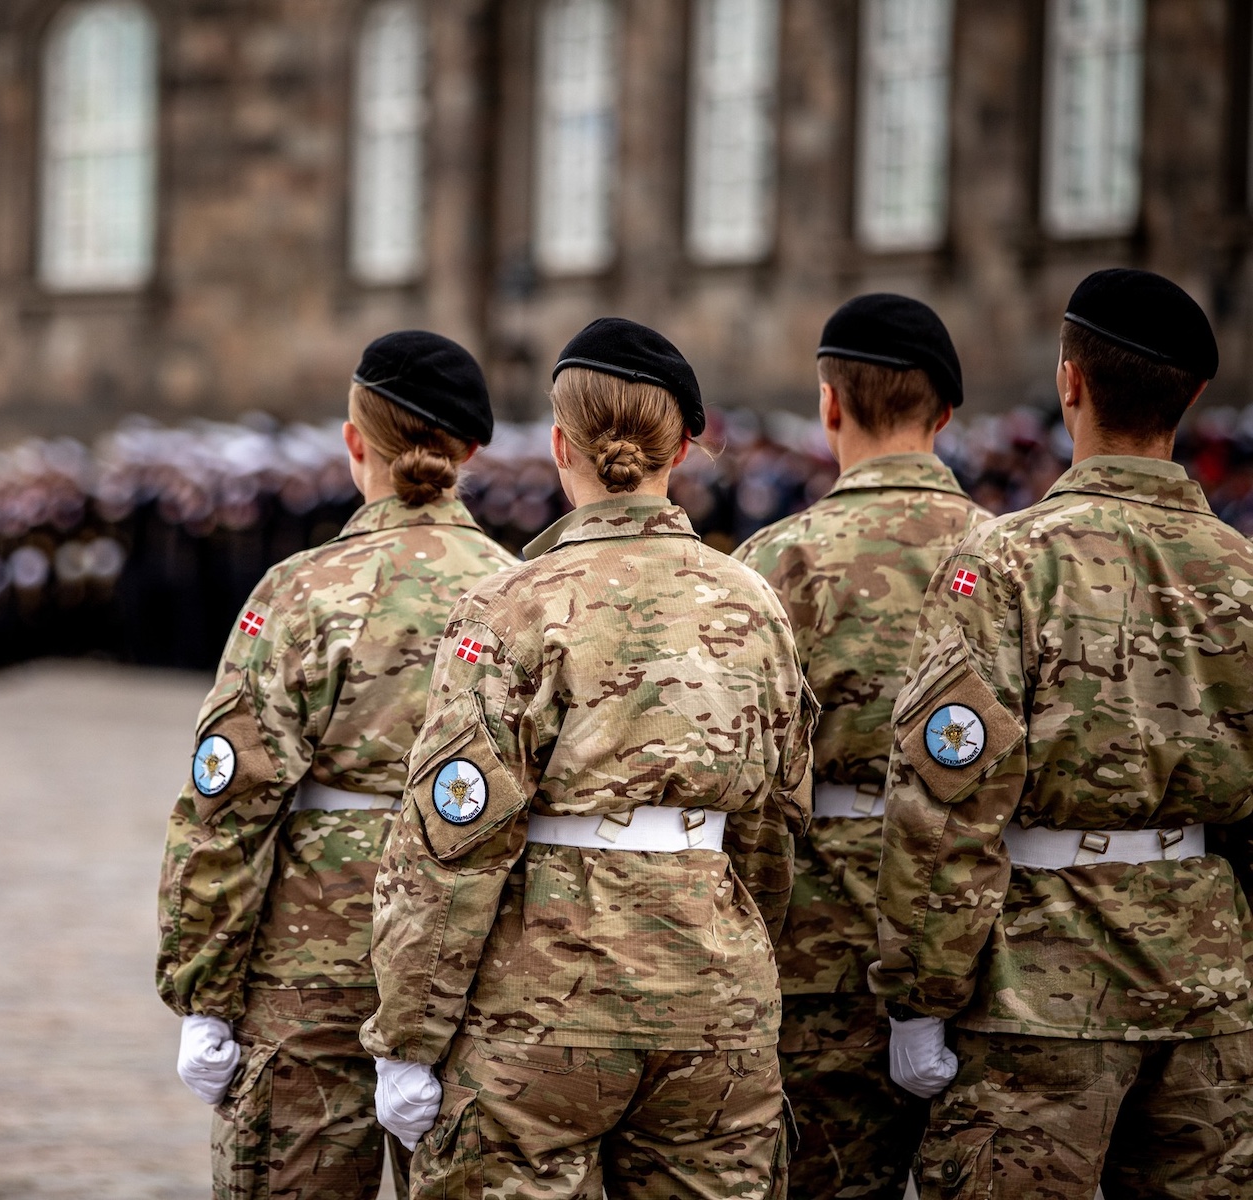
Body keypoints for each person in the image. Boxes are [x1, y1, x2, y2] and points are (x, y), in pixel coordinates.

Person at [361, 318, 816, 1199]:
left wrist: (408, 1036)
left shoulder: (510, 604)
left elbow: (450, 844)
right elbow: (771, 830)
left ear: (560, 443)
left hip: (543, 1014)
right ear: (684, 445)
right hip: (714, 1002)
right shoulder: (753, 602)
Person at [870, 269, 1253, 1198]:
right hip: (1213, 986)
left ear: (1068, 383)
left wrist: (919, 996)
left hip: (1040, 991)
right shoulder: (1245, 571)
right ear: (1194, 399)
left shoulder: (1006, 562)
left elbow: (947, 802)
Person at [155, 331, 517, 1200]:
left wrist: (202, 985)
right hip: (473, 968)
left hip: (310, 972)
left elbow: (230, 805)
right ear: (468, 453)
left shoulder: (302, 590)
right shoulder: (523, 589)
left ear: (356, 442)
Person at [733, 295, 987, 1197]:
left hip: (814, 940)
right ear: (945, 415)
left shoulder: (772, 562)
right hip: (989, 939)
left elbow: (744, 772)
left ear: (829, 405)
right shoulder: (1011, 556)